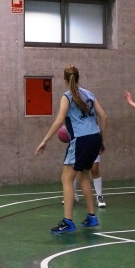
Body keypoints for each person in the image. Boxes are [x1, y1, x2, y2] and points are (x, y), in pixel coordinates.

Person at [35, 65, 108, 234]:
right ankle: (91, 216)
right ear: (78, 77)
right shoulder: (89, 94)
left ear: (64, 79)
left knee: (66, 179)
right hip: (94, 137)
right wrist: (101, 140)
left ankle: (68, 222)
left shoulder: (66, 97)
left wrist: (44, 140)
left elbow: (59, 120)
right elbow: (104, 116)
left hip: (81, 140)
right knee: (83, 176)